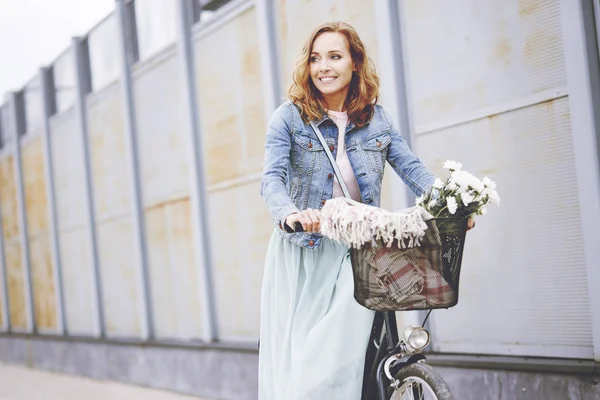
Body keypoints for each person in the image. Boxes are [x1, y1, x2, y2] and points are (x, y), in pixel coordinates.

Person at [258, 21, 473, 400]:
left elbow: (412, 169)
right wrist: (291, 213)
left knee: (357, 351)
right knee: (313, 366)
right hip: (308, 248)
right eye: (315, 58)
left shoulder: (377, 119)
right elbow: (271, 180)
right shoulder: (289, 119)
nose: (323, 66)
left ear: (355, 63)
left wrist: (452, 204)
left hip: (362, 245)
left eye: (335, 57)